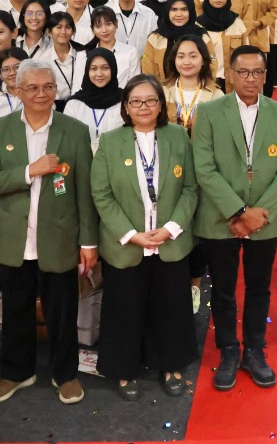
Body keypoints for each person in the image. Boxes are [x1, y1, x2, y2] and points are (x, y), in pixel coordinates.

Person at [0, 57, 98, 406]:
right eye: (32, 87)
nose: (41, 93)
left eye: (48, 87)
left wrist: (88, 241)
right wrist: (30, 170)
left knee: (62, 311)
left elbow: (84, 192)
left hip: (59, 236)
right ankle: (16, 372)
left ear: (56, 90)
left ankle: (66, 374)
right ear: (18, 90)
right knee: (15, 310)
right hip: (14, 239)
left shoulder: (74, 130)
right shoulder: (0, 129)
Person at [192, 45, 277, 391]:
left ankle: (254, 348)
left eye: (257, 73)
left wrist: (257, 215)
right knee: (221, 290)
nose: (250, 79)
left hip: (264, 220)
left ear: (266, 76)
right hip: (221, 217)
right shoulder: (209, 112)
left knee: (259, 287)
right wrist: (238, 212)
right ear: (231, 74)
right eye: (243, 72)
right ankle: (228, 350)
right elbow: (203, 168)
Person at [91, 74, 198, 400]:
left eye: (150, 100)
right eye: (135, 101)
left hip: (170, 242)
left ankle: (171, 365)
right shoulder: (110, 142)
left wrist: (171, 228)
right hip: (127, 244)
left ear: (160, 104)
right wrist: (131, 234)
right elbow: (101, 194)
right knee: (124, 308)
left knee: (171, 307)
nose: (143, 107)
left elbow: (191, 189)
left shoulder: (178, 136)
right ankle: (125, 370)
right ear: (125, 106)